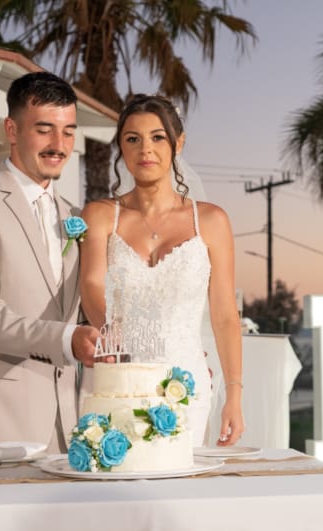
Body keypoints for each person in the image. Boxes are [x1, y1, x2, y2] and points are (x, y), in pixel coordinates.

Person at [0, 71, 99, 454]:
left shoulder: (74, 215)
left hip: (67, 428)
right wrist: (66, 339)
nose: (59, 145)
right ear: (11, 129)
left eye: (69, 132)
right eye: (44, 130)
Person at [79, 94, 244, 446]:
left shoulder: (212, 221)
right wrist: (113, 338)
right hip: (118, 376)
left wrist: (234, 394)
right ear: (121, 147)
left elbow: (225, 314)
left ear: (178, 143)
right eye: (132, 139)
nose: (145, 150)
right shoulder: (100, 215)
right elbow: (91, 284)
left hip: (185, 383)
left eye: (157, 137)